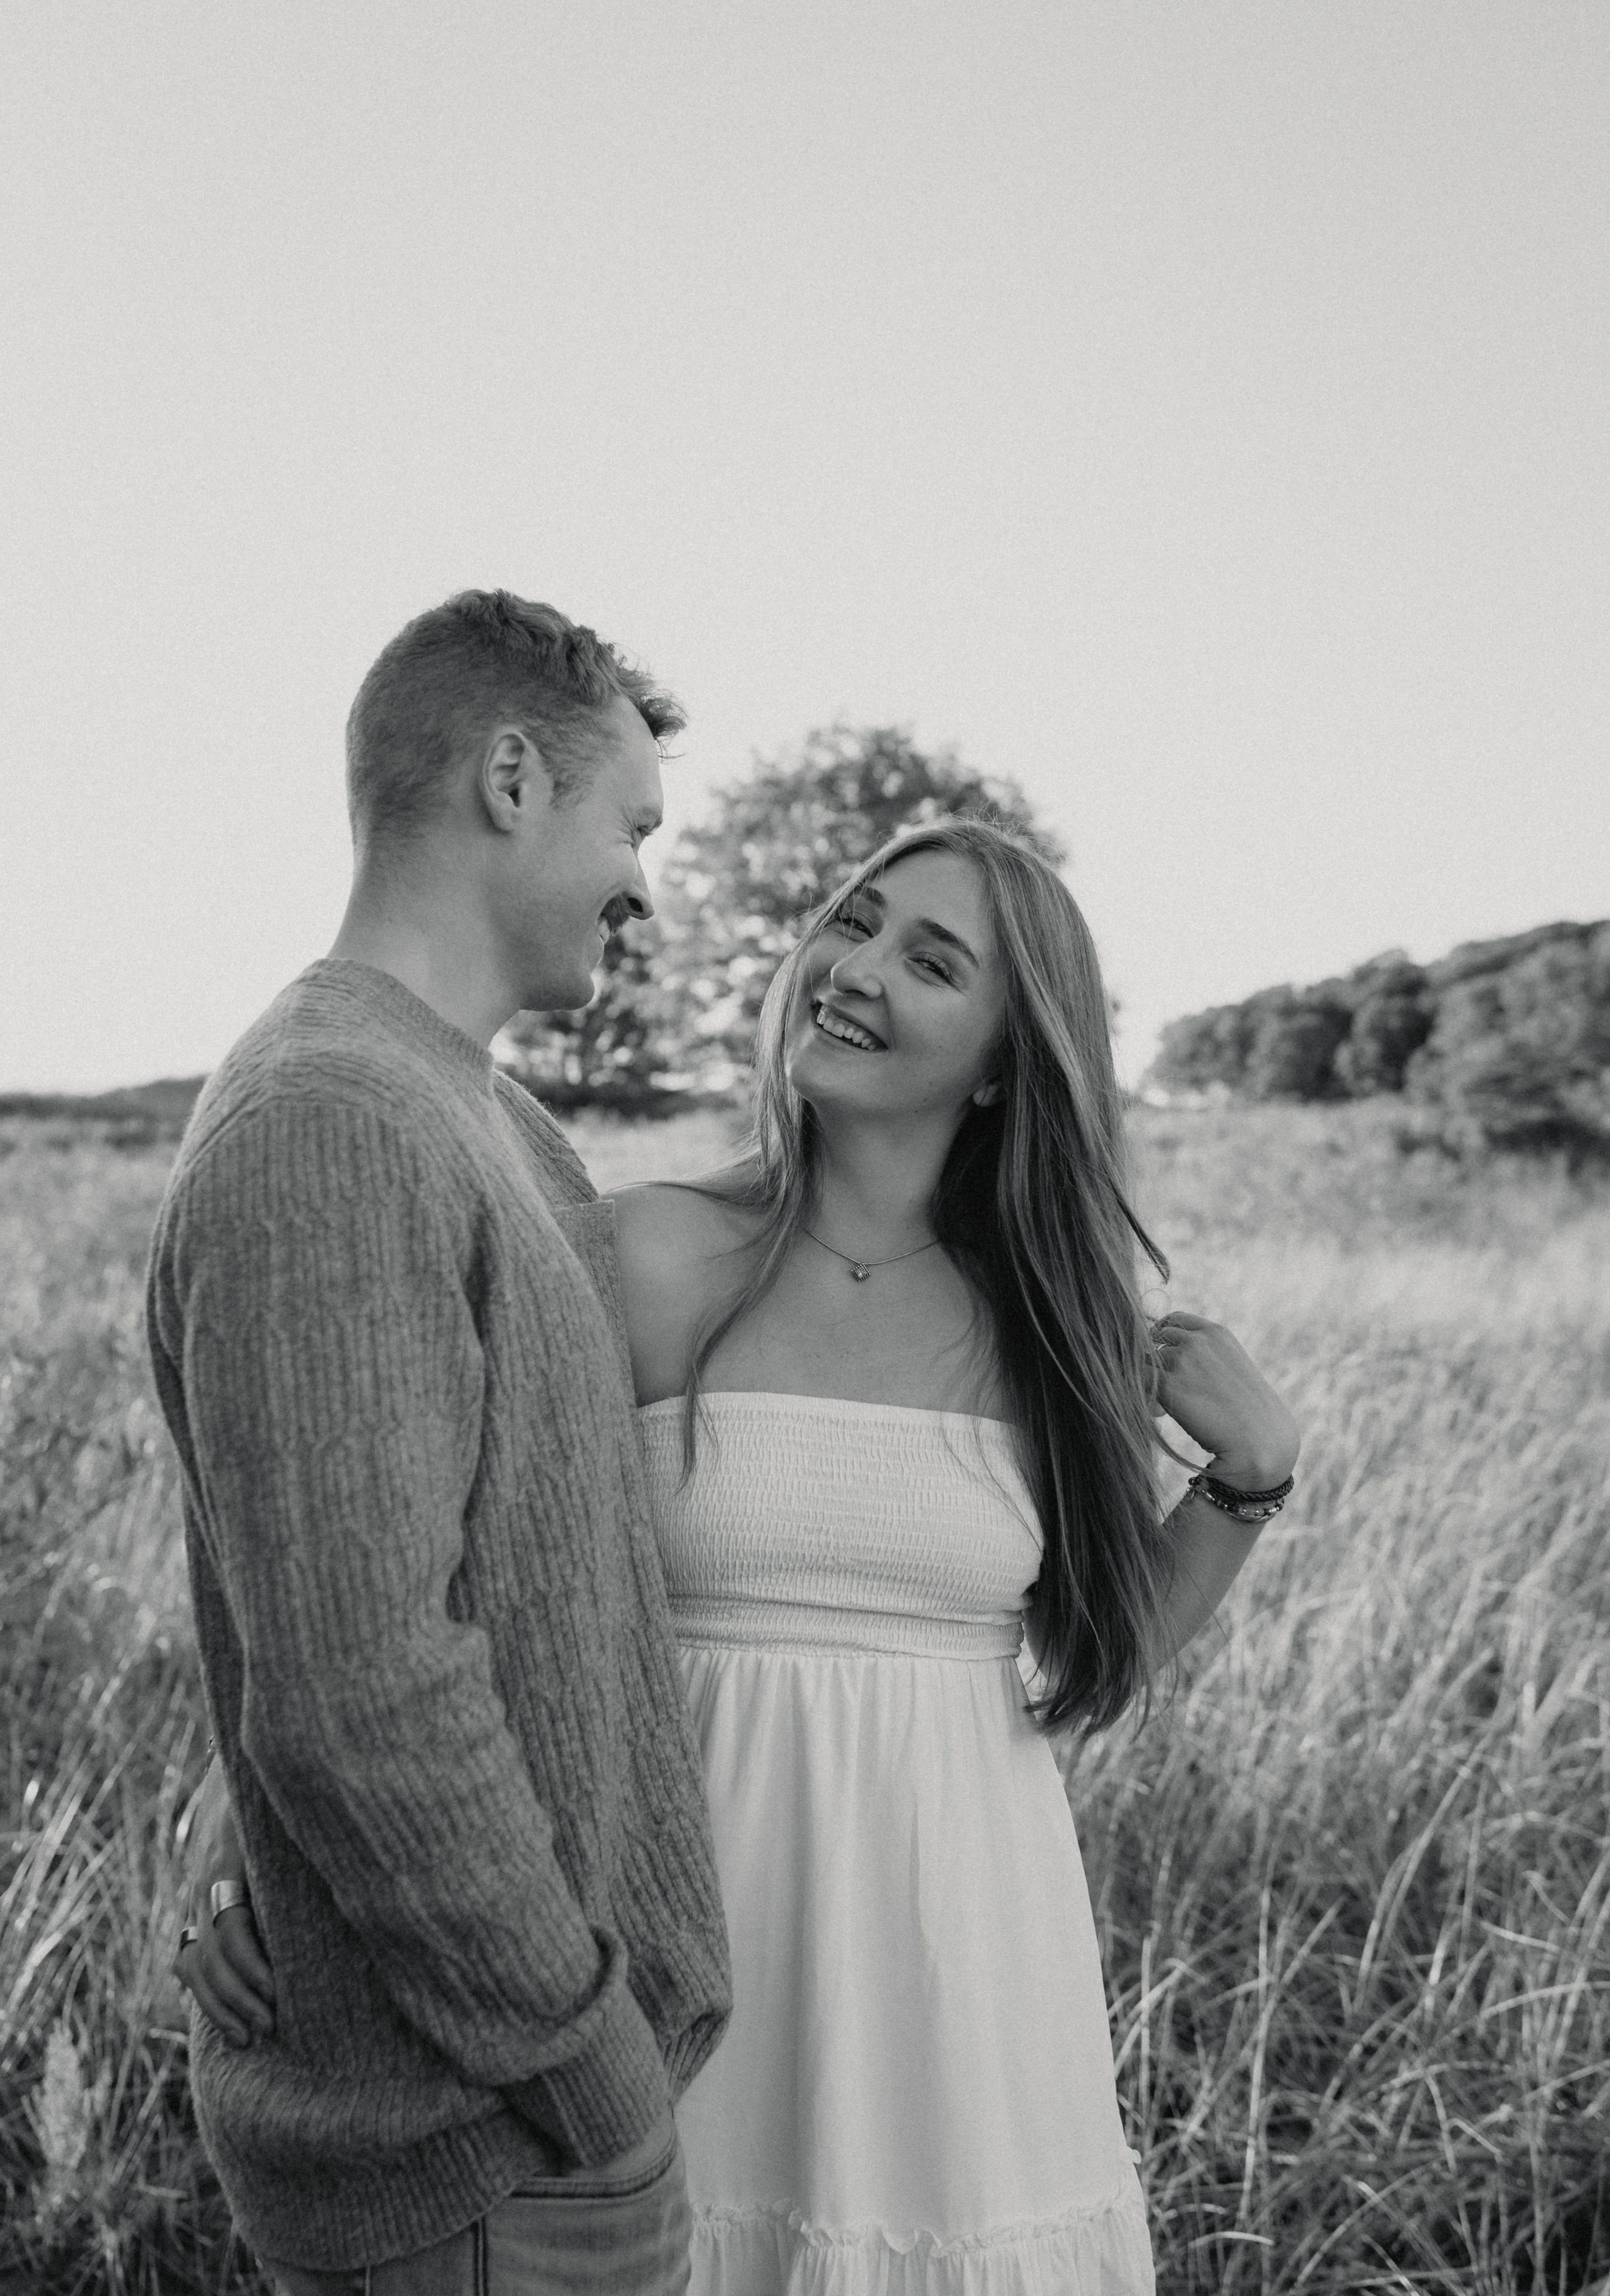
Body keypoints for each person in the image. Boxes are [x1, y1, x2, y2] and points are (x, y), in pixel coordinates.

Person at [185, 815, 1300, 2293]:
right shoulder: (634, 1250)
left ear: (1000, 1059)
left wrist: (1242, 1486)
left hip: (954, 1953)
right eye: (851, 921)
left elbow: (1080, 1667)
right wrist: (243, 1838)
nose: (850, 968)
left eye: (928, 957)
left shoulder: (1061, 1322)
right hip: (666, 1940)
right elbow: (393, 1567)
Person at [153, 589, 731, 2296]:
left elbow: (359, 1563)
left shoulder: (490, 1116)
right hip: (477, 2158)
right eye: (631, 822)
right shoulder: (330, 1116)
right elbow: (353, 1684)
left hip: (520, 2137)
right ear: (505, 778)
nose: (645, 877)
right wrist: (595, 2073)